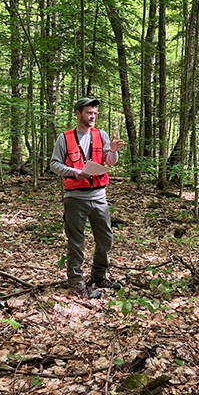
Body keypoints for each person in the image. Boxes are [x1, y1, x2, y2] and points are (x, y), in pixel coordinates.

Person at [50, 97, 125, 299]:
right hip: (75, 198)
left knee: (105, 239)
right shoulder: (64, 138)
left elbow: (109, 161)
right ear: (78, 113)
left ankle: (99, 276)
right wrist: (74, 172)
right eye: (88, 113)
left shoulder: (101, 135)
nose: (92, 117)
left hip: (99, 197)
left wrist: (114, 151)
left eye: (94, 114)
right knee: (76, 242)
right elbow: (54, 165)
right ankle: (76, 283)